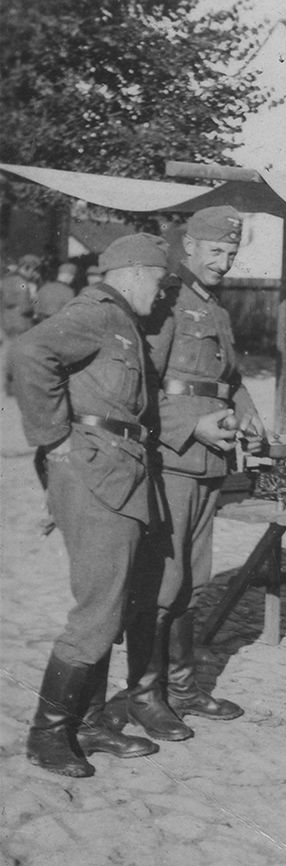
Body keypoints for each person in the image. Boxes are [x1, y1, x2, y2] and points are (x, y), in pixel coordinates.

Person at [13, 234, 170, 777]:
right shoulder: (99, 313)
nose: (163, 289)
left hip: (119, 473)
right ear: (131, 273)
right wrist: (52, 439)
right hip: (96, 474)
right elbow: (31, 351)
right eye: (158, 278)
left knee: (113, 603)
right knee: (98, 609)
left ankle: (90, 724)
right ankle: (47, 736)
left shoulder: (125, 321)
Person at [106, 206, 265, 742]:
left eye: (231, 253)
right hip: (172, 458)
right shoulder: (167, 301)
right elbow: (143, 383)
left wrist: (247, 409)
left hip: (207, 463)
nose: (223, 261)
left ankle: (184, 688)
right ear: (188, 247)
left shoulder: (213, 307)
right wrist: (191, 428)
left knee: (192, 580)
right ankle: (144, 696)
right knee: (162, 580)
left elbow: (228, 376)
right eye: (215, 251)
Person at [1, 254, 41, 394]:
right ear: (27, 268)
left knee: (8, 351)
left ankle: (8, 383)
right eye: (33, 270)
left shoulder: (6, 280)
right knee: (17, 353)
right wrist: (34, 303)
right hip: (20, 322)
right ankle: (13, 385)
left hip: (6, 321)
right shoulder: (22, 283)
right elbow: (25, 307)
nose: (34, 273)